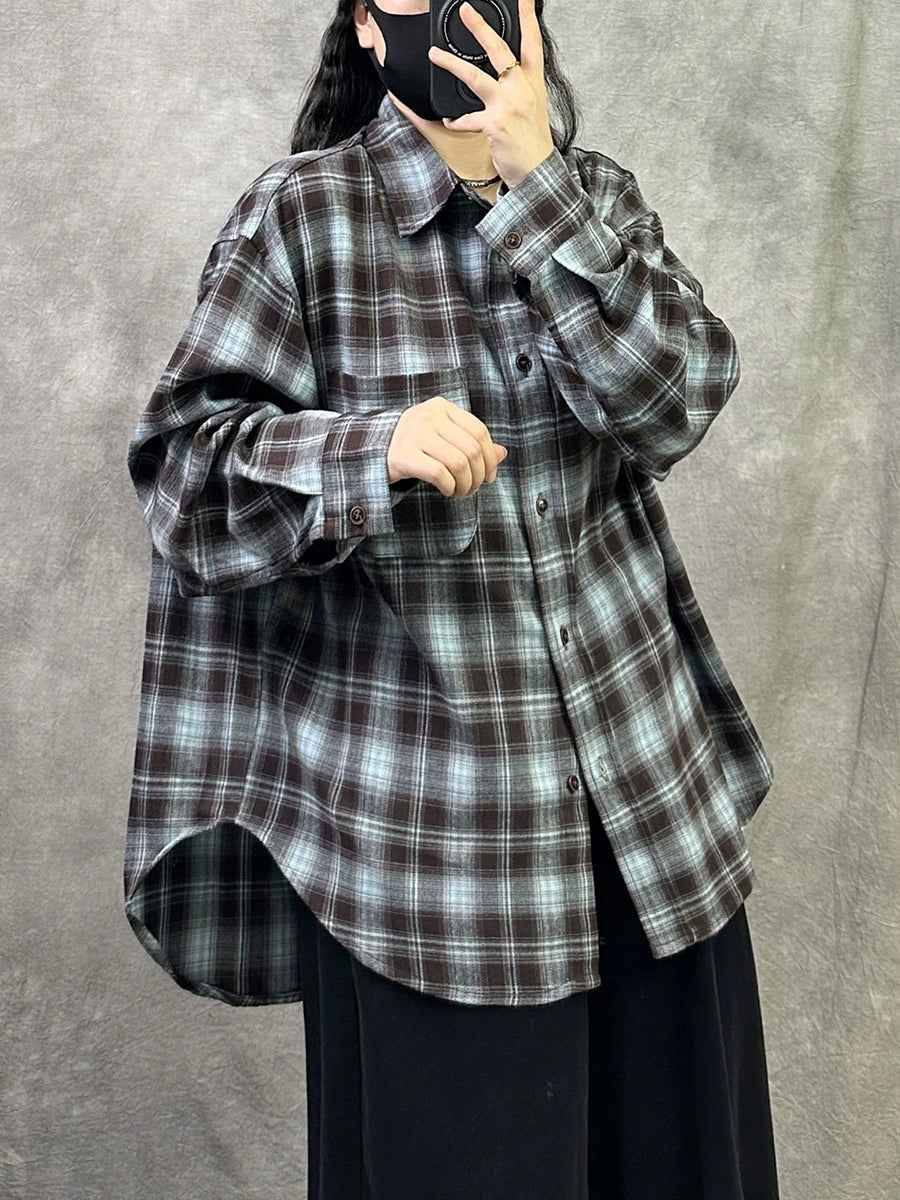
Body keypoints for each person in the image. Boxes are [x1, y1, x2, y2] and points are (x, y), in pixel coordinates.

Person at [122, 1, 781, 1197]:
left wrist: (541, 189)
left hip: (650, 835)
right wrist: (366, 450)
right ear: (369, 31)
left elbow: (678, 402)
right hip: (438, 881)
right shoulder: (302, 219)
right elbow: (182, 479)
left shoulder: (596, 197)